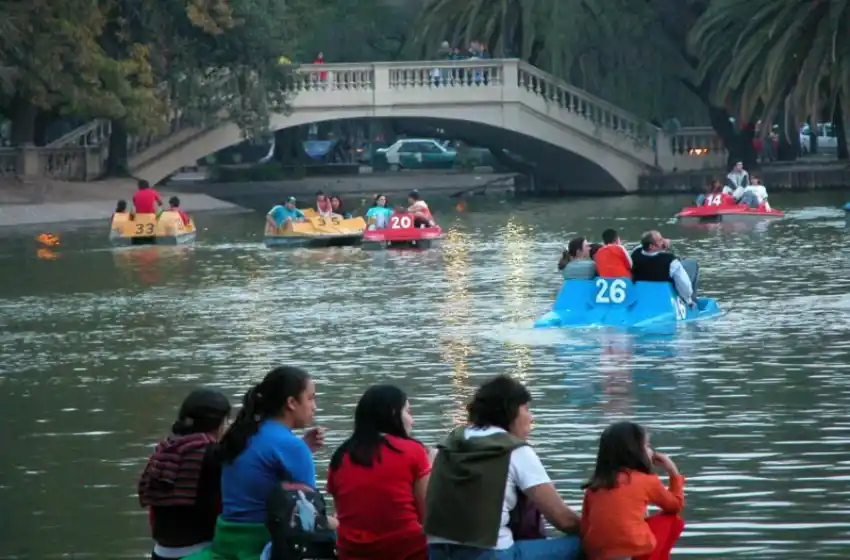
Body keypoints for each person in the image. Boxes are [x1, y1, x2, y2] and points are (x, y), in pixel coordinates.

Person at [425, 375, 582, 559]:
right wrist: (601, 529)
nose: (531, 417)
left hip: (437, 552)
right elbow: (562, 519)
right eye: (527, 408)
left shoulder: (447, 445)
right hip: (490, 554)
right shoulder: (514, 450)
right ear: (512, 410)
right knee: (587, 543)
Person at [185, 367, 333, 560]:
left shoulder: (241, 434)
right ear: (291, 403)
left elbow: (257, 467)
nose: (314, 406)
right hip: (258, 545)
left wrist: (303, 448)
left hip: (227, 540)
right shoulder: (291, 447)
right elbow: (309, 517)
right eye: (311, 398)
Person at [328, 385, 431, 560]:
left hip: (351, 552)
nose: (412, 420)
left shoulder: (340, 455)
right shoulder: (413, 450)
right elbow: (427, 514)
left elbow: (345, 512)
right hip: (408, 551)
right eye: (408, 411)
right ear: (393, 413)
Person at [138, 389, 232, 560]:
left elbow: (154, 512)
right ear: (221, 422)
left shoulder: (163, 450)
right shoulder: (213, 454)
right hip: (200, 552)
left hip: (160, 552)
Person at [580, 421, 685, 560]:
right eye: (647, 446)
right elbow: (675, 505)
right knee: (671, 519)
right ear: (634, 450)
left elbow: (584, 527)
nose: (652, 451)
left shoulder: (594, 486)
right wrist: (673, 472)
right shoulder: (645, 480)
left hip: (597, 553)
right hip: (635, 548)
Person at [631, 231, 697, 306]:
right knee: (692, 264)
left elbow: (643, 247)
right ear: (651, 246)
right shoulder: (670, 261)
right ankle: (694, 300)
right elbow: (683, 283)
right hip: (665, 293)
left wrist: (661, 245)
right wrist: (688, 300)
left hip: (643, 290)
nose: (664, 241)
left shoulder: (635, 254)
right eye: (660, 240)